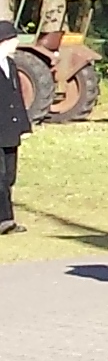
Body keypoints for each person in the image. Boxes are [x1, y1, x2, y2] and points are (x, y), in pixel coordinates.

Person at [0, 22, 26, 234]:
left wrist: (22, 125)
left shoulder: (11, 65)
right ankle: (5, 219)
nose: (16, 43)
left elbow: (16, 96)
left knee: (9, 175)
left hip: (10, 128)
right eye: (13, 39)